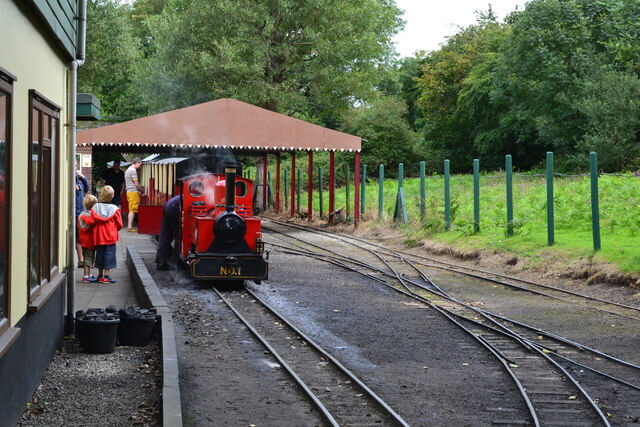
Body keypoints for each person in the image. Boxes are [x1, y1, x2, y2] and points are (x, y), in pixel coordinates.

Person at [83, 185, 123, 283]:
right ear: (112, 196)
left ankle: (100, 275)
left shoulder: (95, 207)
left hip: (98, 236)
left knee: (100, 254)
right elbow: (120, 224)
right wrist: (114, 229)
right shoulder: (115, 209)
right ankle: (106, 276)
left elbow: (91, 221)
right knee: (109, 255)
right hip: (110, 237)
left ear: (101, 195)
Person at [155, 195, 182, 270]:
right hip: (175, 206)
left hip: (169, 204)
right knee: (179, 236)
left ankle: (161, 263)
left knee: (165, 236)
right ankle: (177, 263)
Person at [78, 194, 99, 282]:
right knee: (88, 259)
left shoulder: (81, 214)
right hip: (89, 241)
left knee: (88, 257)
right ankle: (86, 276)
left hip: (83, 240)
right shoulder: (90, 216)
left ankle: (88, 274)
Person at [75, 161, 89, 267]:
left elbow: (87, 189)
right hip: (75, 211)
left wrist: (83, 177)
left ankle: (84, 258)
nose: (75, 167)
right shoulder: (68, 177)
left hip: (82, 211)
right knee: (78, 237)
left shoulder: (79, 178)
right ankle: (81, 259)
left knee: (83, 236)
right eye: (74, 165)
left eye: (76, 165)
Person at [125, 157, 144, 232]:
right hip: (133, 192)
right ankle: (129, 227)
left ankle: (130, 226)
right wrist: (141, 189)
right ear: (137, 163)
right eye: (140, 164)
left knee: (131, 209)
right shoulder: (133, 170)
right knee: (132, 210)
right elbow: (136, 183)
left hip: (129, 191)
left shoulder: (128, 170)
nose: (140, 166)